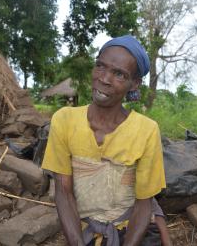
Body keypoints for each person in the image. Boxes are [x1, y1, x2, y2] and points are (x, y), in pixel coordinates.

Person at [41, 35, 171, 246]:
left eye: (119, 74)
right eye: (100, 66)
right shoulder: (64, 120)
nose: (104, 79)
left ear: (134, 84)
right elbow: (63, 192)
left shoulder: (146, 130)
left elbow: (143, 203)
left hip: (132, 231)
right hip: (83, 232)